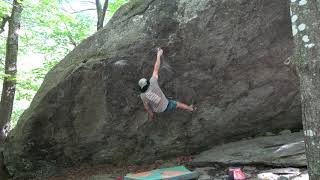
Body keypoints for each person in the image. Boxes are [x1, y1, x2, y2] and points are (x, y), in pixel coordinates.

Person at [138, 48, 194, 119]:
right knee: (178, 104)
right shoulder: (153, 82)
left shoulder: (142, 95)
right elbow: (156, 68)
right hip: (166, 105)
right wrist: (158, 55)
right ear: (147, 83)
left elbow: (146, 107)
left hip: (157, 110)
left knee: (148, 102)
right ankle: (190, 109)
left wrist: (151, 114)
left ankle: (153, 115)